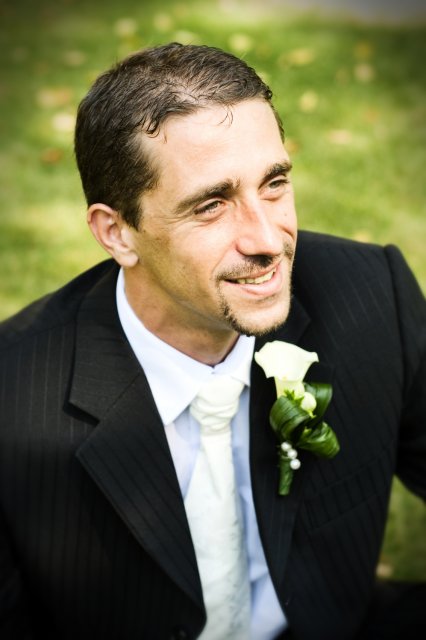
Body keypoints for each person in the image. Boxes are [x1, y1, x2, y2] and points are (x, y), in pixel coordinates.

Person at [0, 42, 425, 640]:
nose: (268, 240)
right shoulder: (14, 401)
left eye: (274, 183)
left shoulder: (373, 297)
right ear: (117, 232)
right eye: (211, 205)